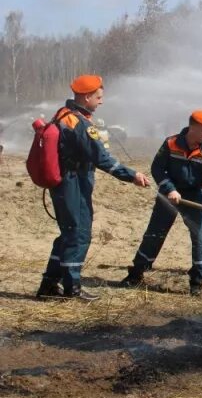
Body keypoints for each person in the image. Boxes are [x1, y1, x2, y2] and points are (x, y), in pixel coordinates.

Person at [37, 75, 150, 301]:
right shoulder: (80, 124)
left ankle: (49, 285)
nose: (101, 101)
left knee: (69, 233)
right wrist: (132, 175)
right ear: (86, 96)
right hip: (73, 183)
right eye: (98, 97)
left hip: (66, 182)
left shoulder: (64, 115)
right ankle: (72, 288)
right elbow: (102, 159)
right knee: (78, 234)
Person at [120, 111, 202, 296]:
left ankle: (196, 282)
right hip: (169, 194)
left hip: (195, 195)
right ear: (192, 128)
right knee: (154, 233)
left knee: (198, 238)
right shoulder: (170, 143)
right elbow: (157, 169)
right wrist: (169, 189)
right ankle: (136, 274)